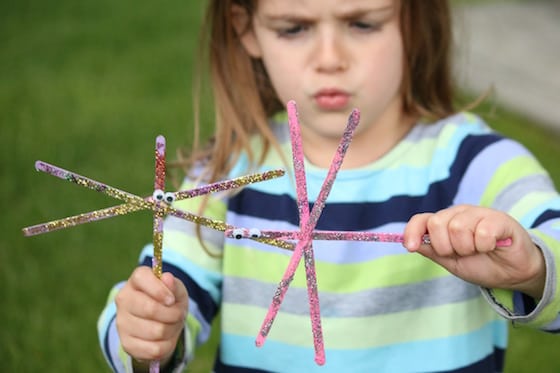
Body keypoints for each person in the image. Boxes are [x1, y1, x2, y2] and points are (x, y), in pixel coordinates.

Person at [97, 0, 560, 372]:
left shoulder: (476, 163)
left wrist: (533, 267)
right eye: (293, 28)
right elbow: (152, 324)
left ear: (412, 18)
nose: (329, 59)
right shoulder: (226, 176)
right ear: (246, 28)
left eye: (361, 23)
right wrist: (144, 336)